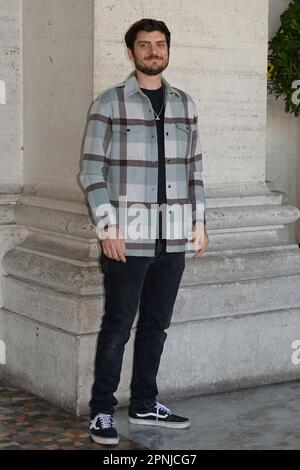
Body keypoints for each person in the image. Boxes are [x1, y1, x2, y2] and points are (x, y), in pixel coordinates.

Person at [80, 18, 209, 446]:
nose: (153, 51)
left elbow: (194, 170)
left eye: (160, 44)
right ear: (130, 52)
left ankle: (144, 403)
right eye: (144, 45)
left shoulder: (185, 104)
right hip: (126, 237)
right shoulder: (109, 102)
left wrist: (200, 221)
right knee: (118, 325)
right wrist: (107, 225)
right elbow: (91, 170)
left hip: (172, 236)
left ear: (168, 50)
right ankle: (102, 411)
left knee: (157, 324)